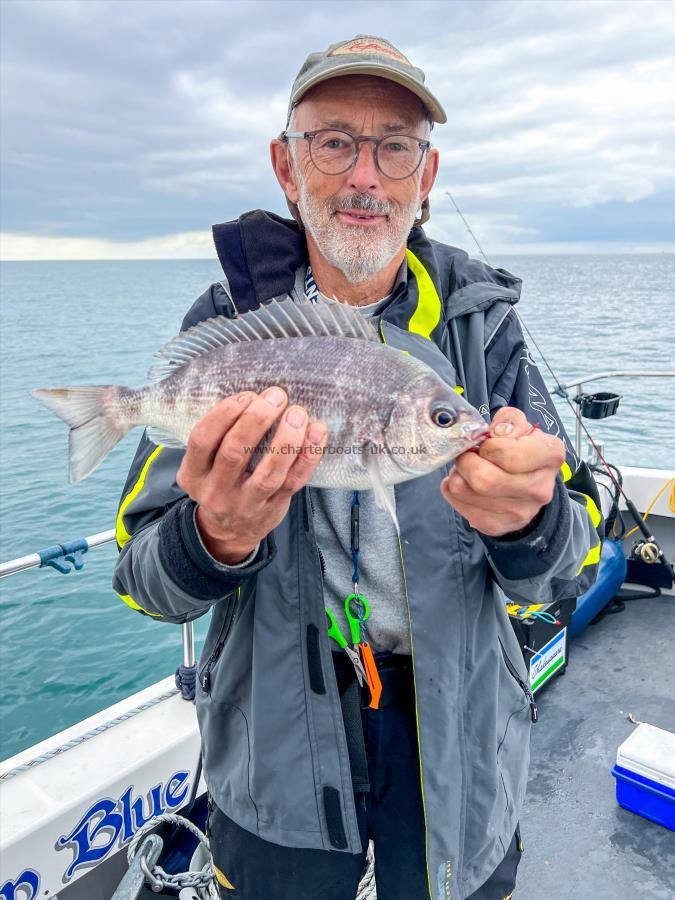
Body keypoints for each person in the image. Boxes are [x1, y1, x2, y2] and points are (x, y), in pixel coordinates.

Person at [113, 35, 603, 900]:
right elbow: (145, 581)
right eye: (334, 141)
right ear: (285, 165)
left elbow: (570, 566)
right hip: (275, 762)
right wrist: (214, 537)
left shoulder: (483, 328)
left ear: (427, 173)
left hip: (459, 750)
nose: (365, 177)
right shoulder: (227, 330)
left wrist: (534, 523)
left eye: (394, 146)